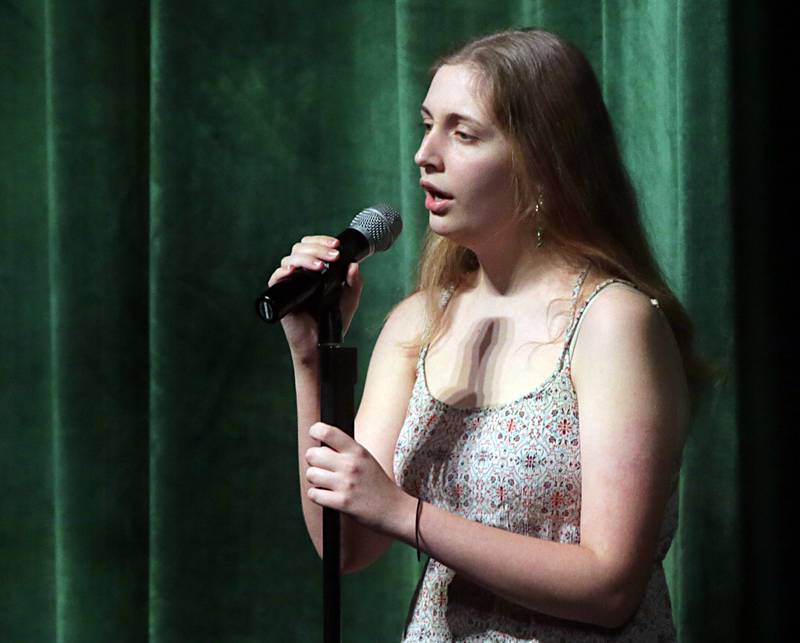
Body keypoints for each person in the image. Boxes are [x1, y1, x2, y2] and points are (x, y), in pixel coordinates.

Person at [267, 27, 711, 642]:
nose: (426, 153)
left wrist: (407, 515)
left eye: (463, 132)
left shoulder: (614, 323)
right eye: (427, 124)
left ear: (543, 161)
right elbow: (347, 547)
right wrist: (311, 358)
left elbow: (610, 589)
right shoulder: (418, 323)